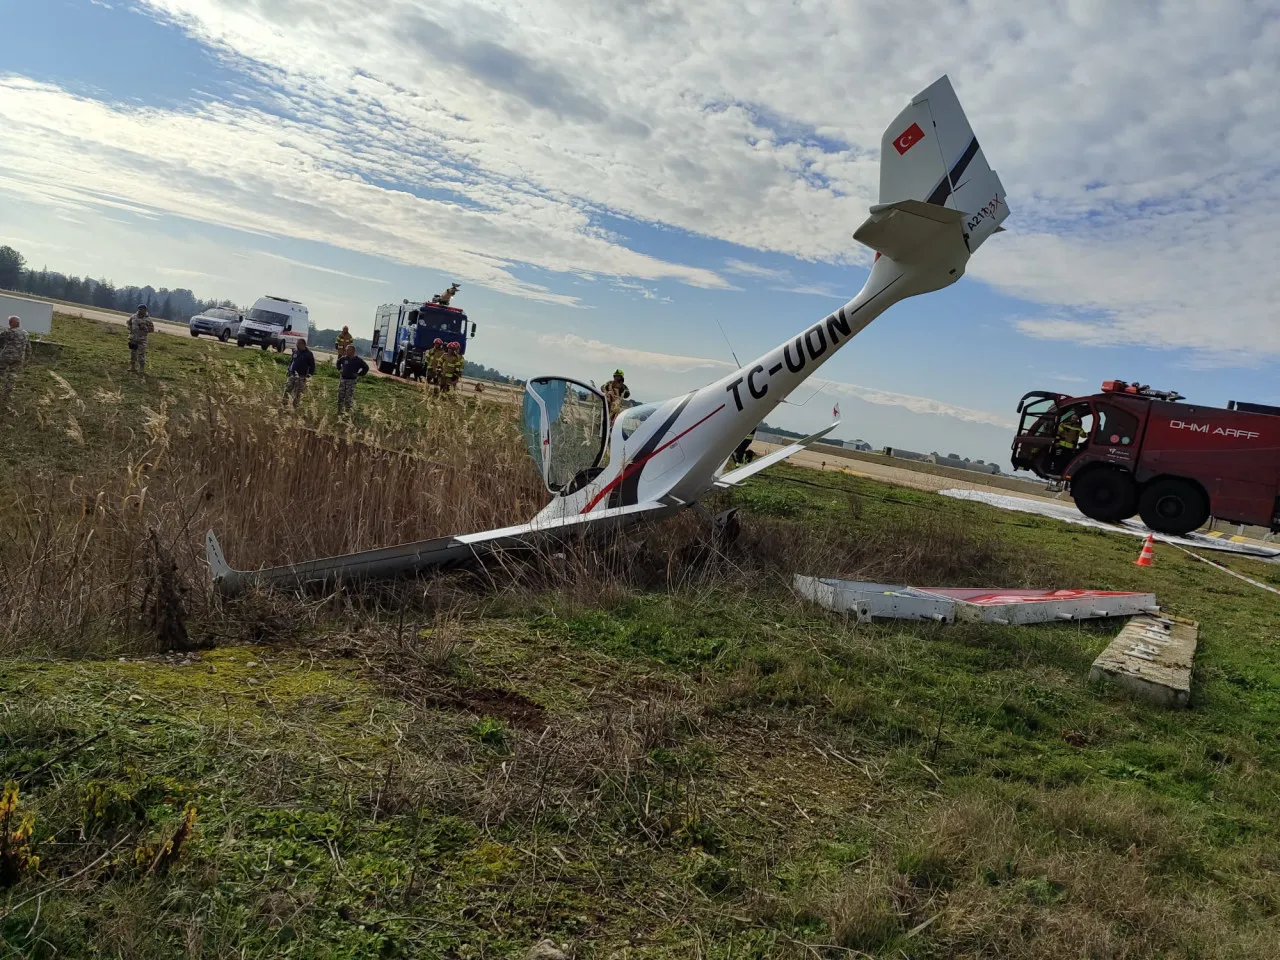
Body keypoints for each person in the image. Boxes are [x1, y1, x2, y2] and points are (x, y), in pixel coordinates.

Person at [0, 315, 30, 408]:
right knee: (12, 376)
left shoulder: (9, 332)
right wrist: (27, 359)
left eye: (10, 322)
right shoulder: (25, 333)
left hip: (6, 357)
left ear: (12, 323)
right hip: (19, 358)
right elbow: (29, 348)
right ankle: (7, 395)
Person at [281, 339, 315, 409]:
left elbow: (312, 366)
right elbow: (292, 361)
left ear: (303, 344)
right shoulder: (295, 352)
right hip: (292, 374)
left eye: (298, 343)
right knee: (287, 389)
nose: (297, 345)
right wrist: (289, 370)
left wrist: (309, 375)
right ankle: (284, 404)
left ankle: (294, 407)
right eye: (297, 343)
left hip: (301, 376)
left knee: (297, 393)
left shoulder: (309, 354)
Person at [336, 344, 369, 415]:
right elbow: (338, 362)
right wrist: (340, 369)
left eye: (348, 350)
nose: (346, 351)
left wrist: (359, 374)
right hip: (343, 379)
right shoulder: (343, 358)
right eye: (346, 350)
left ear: (353, 351)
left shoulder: (358, 360)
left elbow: (366, 368)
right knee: (340, 395)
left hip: (351, 381)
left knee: (348, 397)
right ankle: (339, 411)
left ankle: (347, 412)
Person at [126, 304, 155, 375]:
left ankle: (141, 369)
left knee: (141, 354)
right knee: (133, 353)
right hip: (133, 339)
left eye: (142, 309)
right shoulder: (133, 317)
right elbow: (129, 324)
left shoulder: (148, 319)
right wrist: (130, 328)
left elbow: (152, 329)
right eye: (139, 309)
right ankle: (132, 367)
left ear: (145, 310)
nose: (140, 310)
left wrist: (145, 328)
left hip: (142, 340)